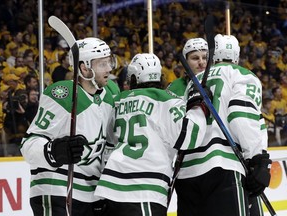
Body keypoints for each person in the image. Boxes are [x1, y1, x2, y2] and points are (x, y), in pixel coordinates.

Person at [95, 53, 210, 216]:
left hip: (110, 187)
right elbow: (191, 136)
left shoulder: (119, 100)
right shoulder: (167, 99)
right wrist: (199, 108)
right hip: (144, 187)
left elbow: (110, 141)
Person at [174, 34, 272, 216]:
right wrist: (257, 159)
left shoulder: (195, 82)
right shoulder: (244, 75)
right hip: (224, 167)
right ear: (237, 55)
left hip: (188, 173)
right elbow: (240, 114)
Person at [20, 37, 116, 216]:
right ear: (84, 67)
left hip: (91, 196)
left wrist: (102, 194)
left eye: (109, 62)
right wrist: (55, 151)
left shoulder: (108, 98)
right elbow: (28, 144)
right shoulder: (63, 94)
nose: (109, 68)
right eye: (102, 64)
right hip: (58, 188)